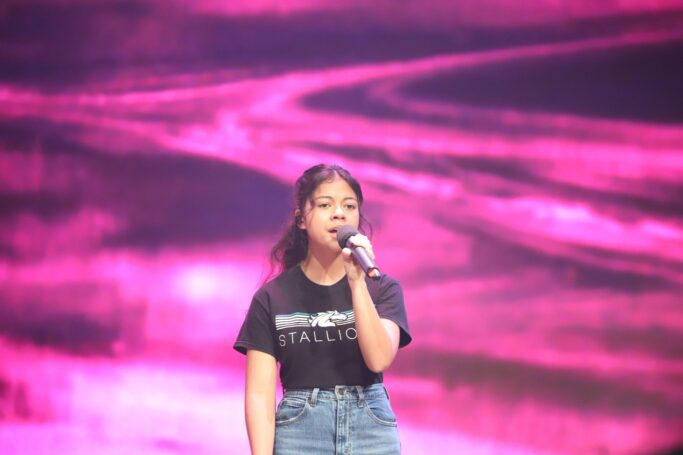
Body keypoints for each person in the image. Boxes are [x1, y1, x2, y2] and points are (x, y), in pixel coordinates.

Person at [233, 164, 412, 454]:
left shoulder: (382, 288)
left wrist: (357, 283)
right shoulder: (272, 297)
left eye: (349, 205)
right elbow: (258, 395)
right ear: (301, 219)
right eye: (326, 204)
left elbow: (378, 359)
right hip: (301, 432)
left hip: (371, 430)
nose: (339, 213)